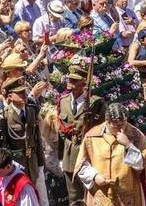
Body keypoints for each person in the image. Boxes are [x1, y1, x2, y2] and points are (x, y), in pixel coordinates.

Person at [74, 103, 146, 206]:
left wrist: (128, 145)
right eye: (116, 125)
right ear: (107, 122)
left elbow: (142, 166)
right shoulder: (92, 137)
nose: (121, 128)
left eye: (124, 123)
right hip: (101, 195)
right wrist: (94, 176)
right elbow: (81, 165)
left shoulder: (136, 136)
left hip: (128, 195)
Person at [57, 64, 106, 203]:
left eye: (74, 80)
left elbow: (103, 130)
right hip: (70, 154)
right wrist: (61, 156)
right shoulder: (63, 101)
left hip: (89, 155)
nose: (70, 82)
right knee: (74, 197)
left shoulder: (96, 104)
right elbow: (61, 131)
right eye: (69, 79)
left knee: (93, 194)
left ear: (84, 83)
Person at [0, 77, 44, 183]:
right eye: (19, 92)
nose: (24, 94)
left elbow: (36, 138)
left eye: (24, 91)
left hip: (31, 162)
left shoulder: (31, 111)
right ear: (10, 96)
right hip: (14, 164)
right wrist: (0, 166)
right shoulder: (2, 116)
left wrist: (41, 161)